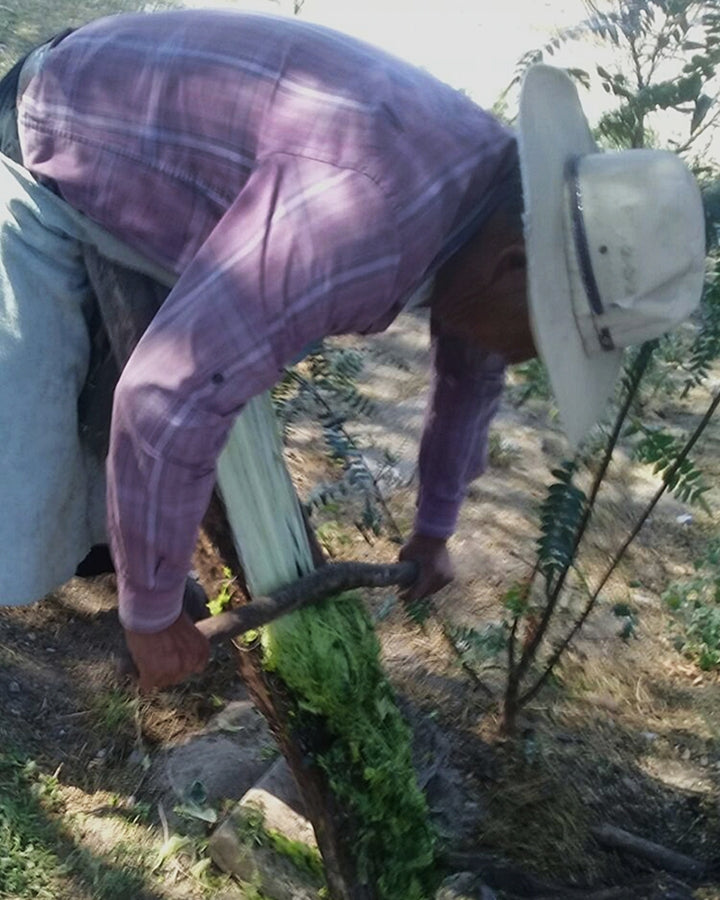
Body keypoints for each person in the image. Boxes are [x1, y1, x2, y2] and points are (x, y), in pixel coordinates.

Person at [0, 10, 705, 691]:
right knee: (21, 511)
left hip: (168, 171)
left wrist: (433, 530)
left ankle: (111, 555)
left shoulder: (493, 209)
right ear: (514, 266)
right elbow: (167, 397)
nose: (522, 361)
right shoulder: (360, 219)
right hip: (58, 127)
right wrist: (151, 620)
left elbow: (471, 376)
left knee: (130, 433)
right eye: (541, 337)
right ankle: (107, 569)